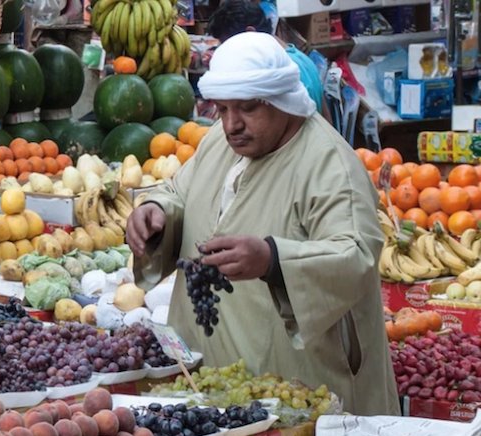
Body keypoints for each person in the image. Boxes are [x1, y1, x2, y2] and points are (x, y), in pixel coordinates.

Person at [127, 32, 399, 416]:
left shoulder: (329, 165)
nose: (232, 124)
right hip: (212, 381)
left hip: (297, 389)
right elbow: (179, 191)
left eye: (248, 108)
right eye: (222, 110)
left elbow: (357, 255)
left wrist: (273, 259)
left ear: (280, 100)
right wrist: (155, 211)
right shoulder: (219, 144)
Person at [207, 0, 332, 124]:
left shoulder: (275, 71)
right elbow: (327, 121)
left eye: (228, 45)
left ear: (250, 33)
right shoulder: (305, 59)